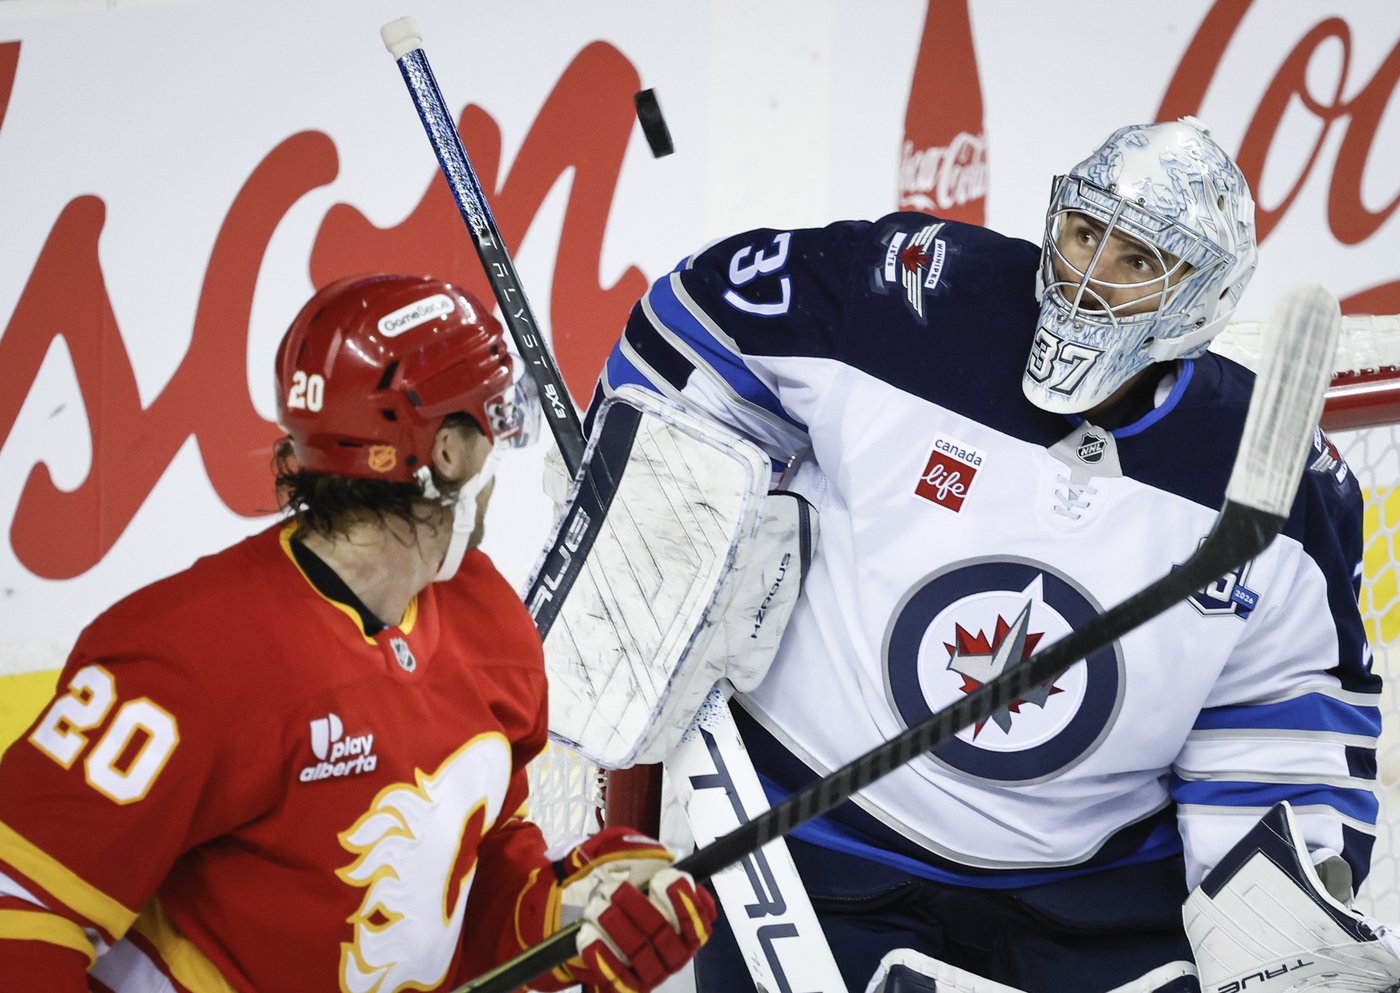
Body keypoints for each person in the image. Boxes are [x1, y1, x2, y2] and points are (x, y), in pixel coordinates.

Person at [583, 119, 1385, 992]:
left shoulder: (1277, 481)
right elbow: (693, 326)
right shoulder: (913, 297)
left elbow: (1278, 723)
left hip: (1093, 895)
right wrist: (673, 508)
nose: (1089, 276)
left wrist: (1285, 917)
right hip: (814, 840)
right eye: (1085, 232)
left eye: (1139, 260)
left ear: (1201, 295)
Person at [0, 273, 715, 992]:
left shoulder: (489, 623)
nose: (498, 455)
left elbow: (472, 882)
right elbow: (21, 912)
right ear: (445, 452)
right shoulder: (184, 654)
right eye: (492, 423)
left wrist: (575, 910)